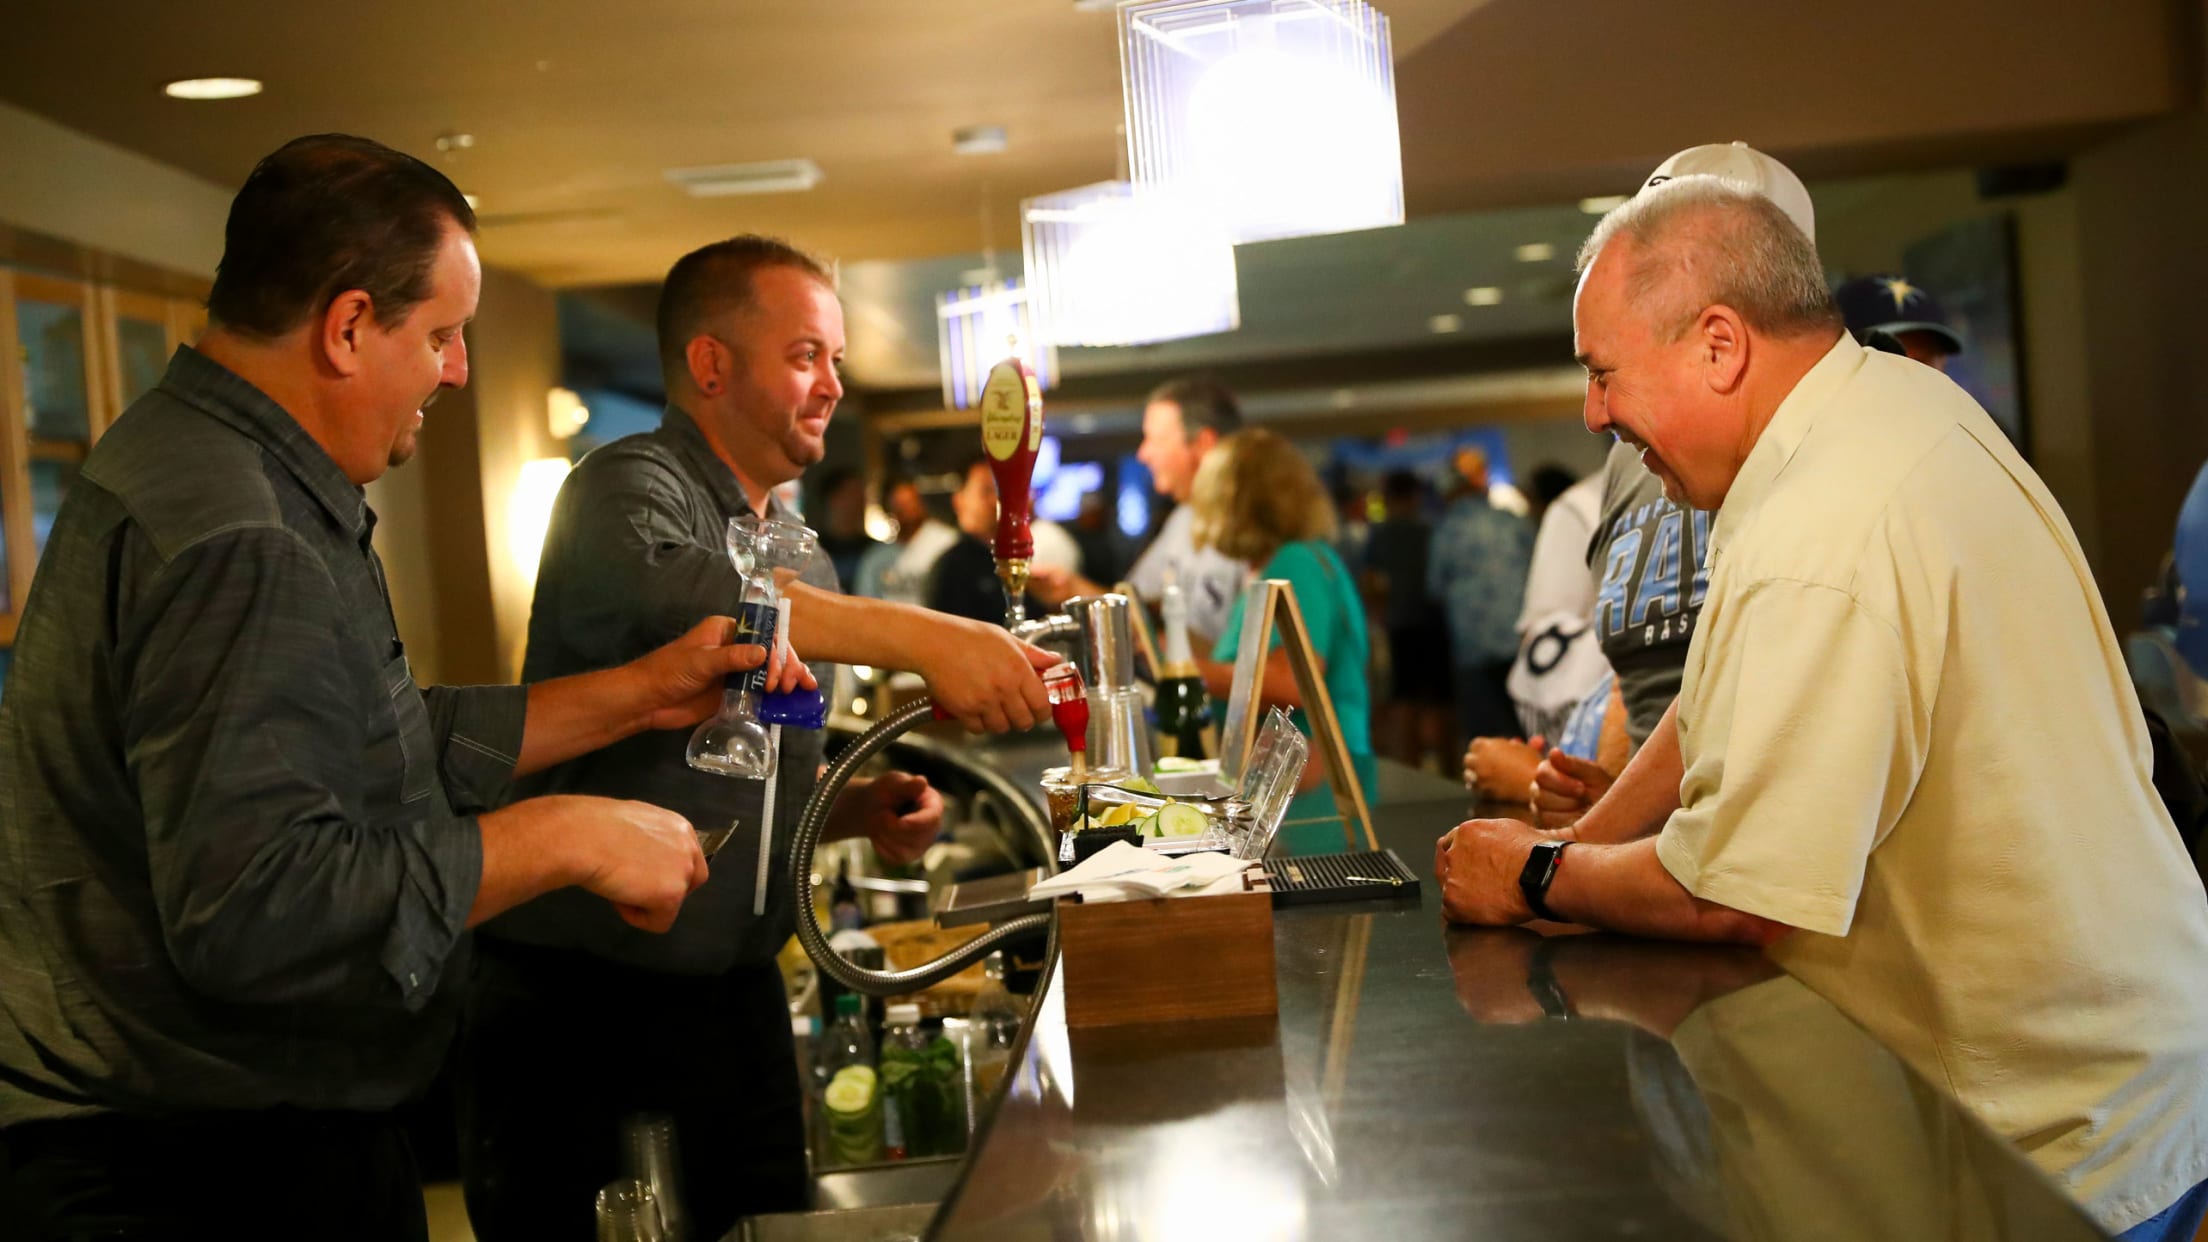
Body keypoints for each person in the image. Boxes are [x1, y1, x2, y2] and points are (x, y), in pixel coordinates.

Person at [0, 134, 769, 1240]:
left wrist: (641, 693)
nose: (457, 370)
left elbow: (371, 743)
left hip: (183, 1144)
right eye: (444, 335)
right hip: (200, 1172)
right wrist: (562, 837)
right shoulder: (242, 531)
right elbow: (261, 906)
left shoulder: (193, 455)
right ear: (350, 326)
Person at [1435, 175, 2208, 1239]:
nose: (1594, 415)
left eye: (1604, 374)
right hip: (2122, 1068)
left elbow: (1736, 892)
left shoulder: (1823, 530)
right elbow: (1705, 706)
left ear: (1718, 345)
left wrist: (1533, 874)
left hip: (2060, 1134)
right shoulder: (1877, 410)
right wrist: (1568, 847)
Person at [457, 235, 1054, 1241]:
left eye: (837, 361)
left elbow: (752, 761)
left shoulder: (802, 546)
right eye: (806, 356)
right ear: (710, 365)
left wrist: (851, 810)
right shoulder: (625, 489)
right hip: (584, 1009)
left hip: (733, 1001)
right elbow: (720, 606)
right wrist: (927, 638)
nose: (831, 386)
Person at [1526, 141, 1809, 829]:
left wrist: (1583, 847)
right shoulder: (1633, 454)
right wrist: (1602, 804)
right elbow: (1656, 671)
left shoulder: (1807, 445)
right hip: (1668, 859)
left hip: (1755, 866)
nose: (1596, 413)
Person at [1186, 429, 1374, 855]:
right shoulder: (1289, 561)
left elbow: (1292, 683)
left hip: (1313, 793)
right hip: (1304, 786)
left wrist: (1185, 673)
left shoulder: (1296, 562)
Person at [1033, 377, 1247, 641]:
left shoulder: (1262, 523)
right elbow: (1138, 606)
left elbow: (1275, 673)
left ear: (1202, 444)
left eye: (1154, 439)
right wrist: (1070, 588)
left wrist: (1154, 649)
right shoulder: (1184, 517)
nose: (1144, 454)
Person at [1428, 446, 1533, 742]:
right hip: (1520, 637)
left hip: (1472, 646)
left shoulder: (1446, 530)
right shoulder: (1511, 521)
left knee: (1487, 732)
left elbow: (1435, 586)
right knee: (1527, 725)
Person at [1362, 470, 1453, 770]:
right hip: (1434, 622)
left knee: (1404, 700)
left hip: (1399, 625)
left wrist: (1379, 612)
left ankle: (1410, 767)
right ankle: (1447, 768)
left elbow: (1370, 579)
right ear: (1416, 496)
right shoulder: (1430, 530)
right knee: (1440, 701)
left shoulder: (1381, 534)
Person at [927, 456, 1042, 624]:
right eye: (986, 491)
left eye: (1001, 491)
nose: (996, 501)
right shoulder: (953, 567)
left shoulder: (1010, 556)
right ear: (959, 500)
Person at [855, 470, 957, 606]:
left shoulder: (946, 543)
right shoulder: (877, 557)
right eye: (899, 505)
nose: (907, 510)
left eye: (910, 502)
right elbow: (865, 603)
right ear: (888, 508)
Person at [1833, 274, 1964, 371]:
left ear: (1942, 360)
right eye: (1891, 361)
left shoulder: (1966, 406)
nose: (1910, 373)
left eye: (1922, 361)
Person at [810, 466, 880, 590]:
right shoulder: (812, 547)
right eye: (852, 494)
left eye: (862, 496)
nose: (861, 503)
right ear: (833, 499)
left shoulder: (875, 550)